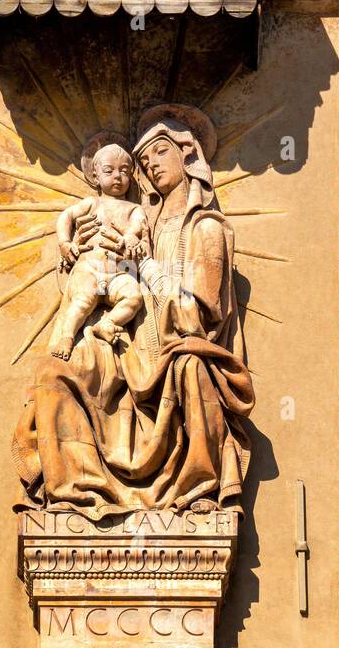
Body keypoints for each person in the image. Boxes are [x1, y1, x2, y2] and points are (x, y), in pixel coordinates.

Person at [13, 105, 254, 518]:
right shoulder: (139, 223)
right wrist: (79, 257)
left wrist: (142, 266)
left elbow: (194, 317)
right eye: (143, 160)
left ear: (188, 154)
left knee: (191, 366)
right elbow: (95, 286)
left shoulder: (206, 230)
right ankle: (73, 492)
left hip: (174, 354)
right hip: (125, 346)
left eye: (159, 152)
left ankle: (197, 486)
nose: (150, 165)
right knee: (53, 374)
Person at [49, 135, 150, 360]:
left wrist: (132, 236)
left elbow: (137, 226)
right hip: (90, 269)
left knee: (134, 297)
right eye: (109, 171)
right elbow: (66, 216)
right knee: (82, 301)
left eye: (124, 171)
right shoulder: (92, 203)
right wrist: (64, 242)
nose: (118, 176)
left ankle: (108, 323)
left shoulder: (133, 208)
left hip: (118, 273)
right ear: (95, 176)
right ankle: (66, 337)